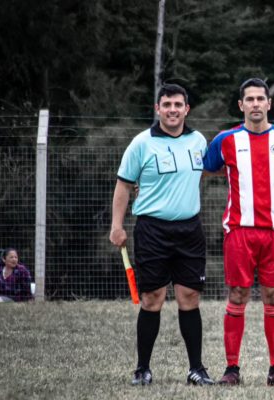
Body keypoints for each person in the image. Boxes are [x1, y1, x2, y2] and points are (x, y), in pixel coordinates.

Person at [203, 78, 274, 387]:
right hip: (239, 231)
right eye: (248, 99)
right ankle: (231, 369)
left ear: (269, 103)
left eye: (259, 99)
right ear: (241, 105)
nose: (254, 104)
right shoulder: (225, 141)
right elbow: (203, 168)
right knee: (237, 294)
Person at [109, 83, 213, 386]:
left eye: (178, 105)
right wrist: (117, 226)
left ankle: (196, 369)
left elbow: (211, 171)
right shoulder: (142, 143)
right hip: (152, 230)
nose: (172, 110)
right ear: (158, 109)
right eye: (166, 104)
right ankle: (142, 369)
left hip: (190, 229)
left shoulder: (198, 141)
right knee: (152, 297)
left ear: (186, 109)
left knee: (189, 297)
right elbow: (124, 185)